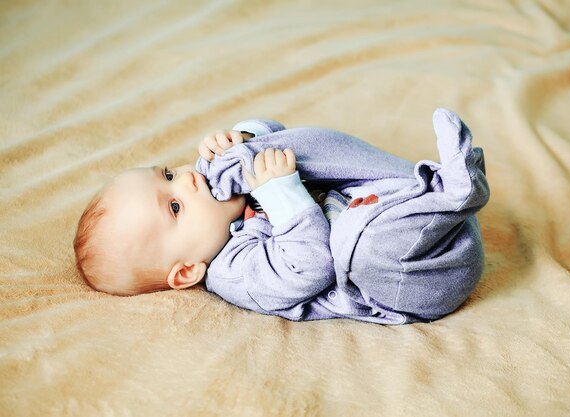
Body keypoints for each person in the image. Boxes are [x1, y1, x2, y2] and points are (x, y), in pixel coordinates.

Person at [74, 109, 489, 324]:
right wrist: (280, 191)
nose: (187, 180)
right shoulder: (233, 272)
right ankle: (454, 195)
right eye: (175, 207)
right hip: (413, 279)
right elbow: (312, 265)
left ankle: (425, 187)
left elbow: (284, 135)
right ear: (185, 272)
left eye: (167, 174)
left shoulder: (220, 189)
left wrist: (246, 141)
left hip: (398, 214)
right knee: (359, 246)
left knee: (298, 154)